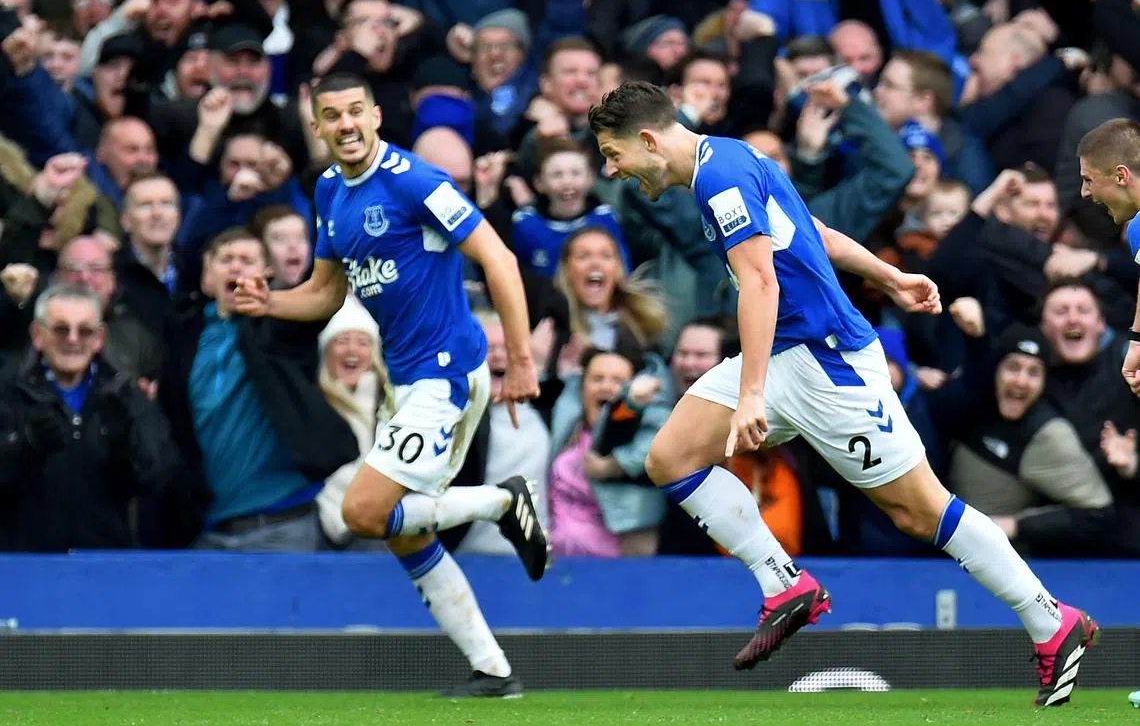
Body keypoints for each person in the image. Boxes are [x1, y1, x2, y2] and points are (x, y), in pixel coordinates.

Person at [587, 81, 1097, 708]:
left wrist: (749, 397)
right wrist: (890, 275)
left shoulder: (721, 178)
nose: (612, 170)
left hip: (826, 365)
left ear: (647, 139)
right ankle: (784, 585)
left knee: (920, 510)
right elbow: (814, 231)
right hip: (781, 355)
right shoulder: (729, 158)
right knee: (671, 457)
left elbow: (761, 285)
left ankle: (1052, 620)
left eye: (613, 154)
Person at [233, 72, 549, 698]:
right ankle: (493, 671)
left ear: (376, 117)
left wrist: (521, 360)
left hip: (445, 374)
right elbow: (326, 294)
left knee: (362, 512)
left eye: (356, 112)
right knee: (405, 531)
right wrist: (269, 303)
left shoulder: (415, 181)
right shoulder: (329, 192)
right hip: (404, 382)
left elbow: (500, 259)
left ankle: (503, 501)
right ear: (318, 127)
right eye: (332, 115)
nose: (346, 125)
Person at [1075, 118, 1140, 398]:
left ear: (1121, 176)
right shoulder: (1137, 228)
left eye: (1088, 179)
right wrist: (1137, 341)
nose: (1084, 192)